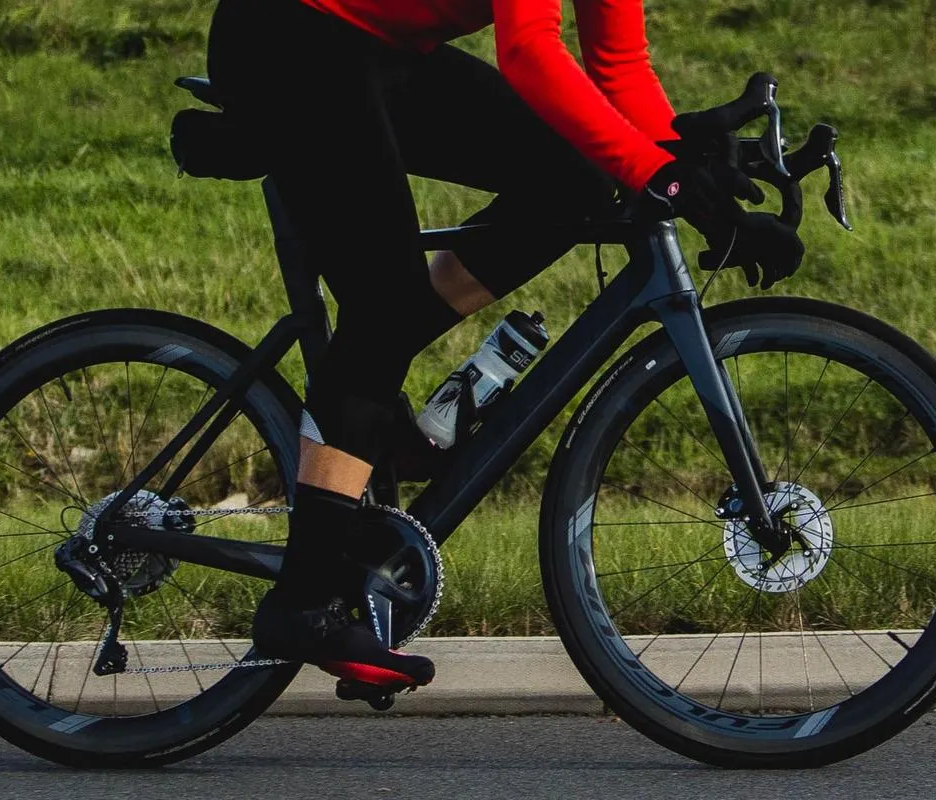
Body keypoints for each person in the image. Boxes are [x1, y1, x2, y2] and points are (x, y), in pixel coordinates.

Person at [205, 0, 803, 692]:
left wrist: (690, 173)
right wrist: (658, 175)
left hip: (375, 49)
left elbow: (618, 64)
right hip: (287, 38)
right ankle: (302, 603)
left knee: (571, 182)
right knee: (381, 302)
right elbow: (529, 53)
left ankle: (369, 398)